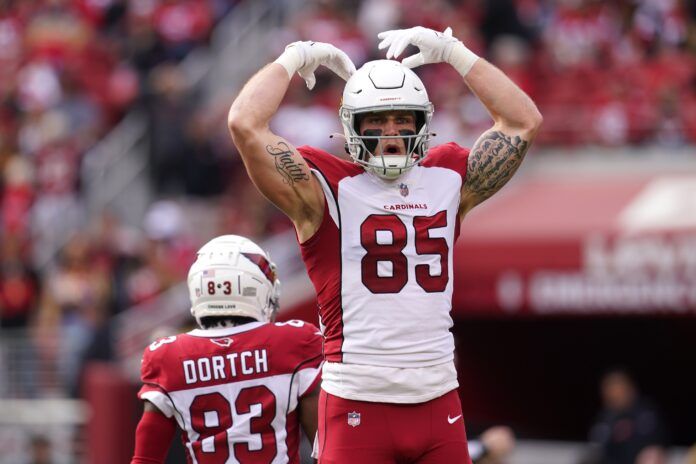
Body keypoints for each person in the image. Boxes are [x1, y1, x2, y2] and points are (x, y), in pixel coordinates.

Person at [228, 25, 541, 463]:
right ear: (351, 125)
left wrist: (456, 53)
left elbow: (524, 121)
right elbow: (244, 122)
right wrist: (293, 58)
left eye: (402, 119)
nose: (391, 132)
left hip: (438, 398)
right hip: (357, 402)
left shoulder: (448, 177)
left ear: (422, 123)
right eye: (375, 120)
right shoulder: (325, 190)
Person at [130, 235, 323, 464]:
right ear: (256, 288)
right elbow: (325, 450)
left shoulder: (168, 356)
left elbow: (145, 459)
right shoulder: (295, 342)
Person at [580, 368, 668, 464]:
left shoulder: (645, 412)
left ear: (629, 389)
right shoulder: (605, 418)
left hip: (635, 460)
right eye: (609, 391)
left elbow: (654, 442)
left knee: (651, 457)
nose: (613, 395)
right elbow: (598, 447)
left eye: (617, 389)